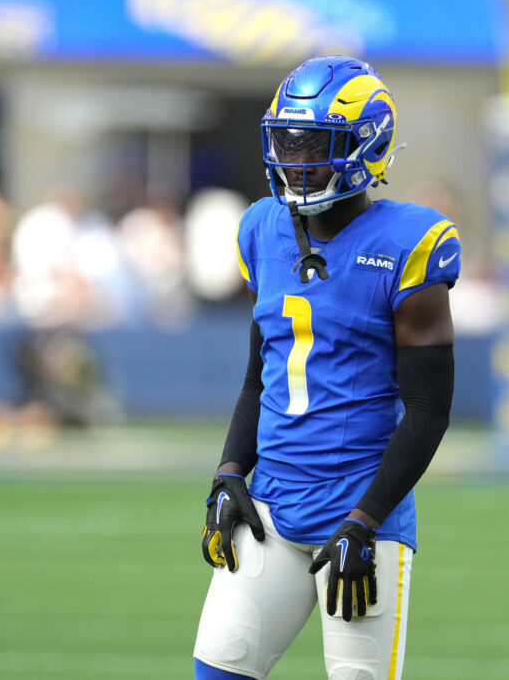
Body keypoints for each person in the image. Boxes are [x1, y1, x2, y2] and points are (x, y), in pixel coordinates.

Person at [193, 55, 461, 680]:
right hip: (270, 508)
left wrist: (365, 522)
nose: (296, 159)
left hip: (359, 511)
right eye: (287, 141)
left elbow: (428, 411)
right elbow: (260, 376)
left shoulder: (409, 243)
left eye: (315, 144)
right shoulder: (261, 228)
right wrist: (229, 471)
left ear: (367, 146)